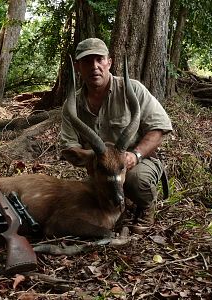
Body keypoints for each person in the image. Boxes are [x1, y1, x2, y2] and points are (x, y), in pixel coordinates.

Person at [60, 38, 172, 224]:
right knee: (80, 198)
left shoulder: (133, 89)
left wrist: (135, 155)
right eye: (87, 61)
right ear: (78, 67)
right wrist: (92, 158)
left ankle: (145, 207)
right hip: (101, 169)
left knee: (134, 182)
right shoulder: (72, 105)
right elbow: (69, 145)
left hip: (138, 161)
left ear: (109, 62)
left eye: (99, 59)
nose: (94, 66)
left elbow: (159, 128)